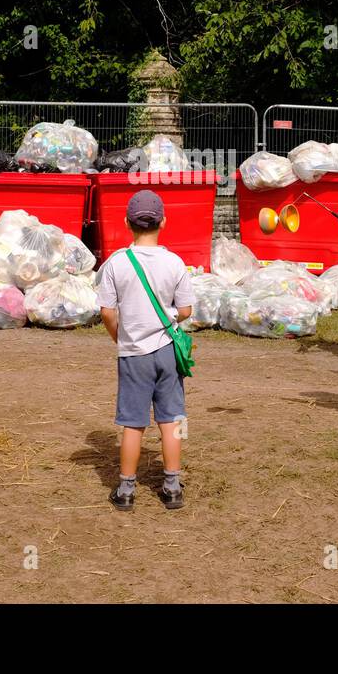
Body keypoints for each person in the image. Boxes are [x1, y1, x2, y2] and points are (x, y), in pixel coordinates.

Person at [95, 190, 195, 511]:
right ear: (163, 222)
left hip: (133, 354)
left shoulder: (116, 264)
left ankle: (125, 490)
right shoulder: (175, 262)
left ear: (127, 223)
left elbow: (108, 312)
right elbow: (186, 309)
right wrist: (167, 320)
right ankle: (172, 485)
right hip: (167, 350)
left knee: (133, 423)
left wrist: (119, 337)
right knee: (173, 418)